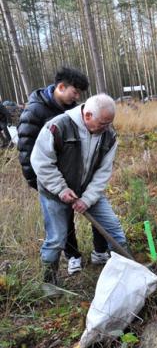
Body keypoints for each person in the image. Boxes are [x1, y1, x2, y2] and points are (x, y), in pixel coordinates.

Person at [17, 67, 108, 275]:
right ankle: (73, 256)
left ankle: (100, 252)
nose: (77, 97)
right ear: (61, 87)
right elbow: (27, 150)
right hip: (50, 180)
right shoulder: (35, 111)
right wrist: (40, 183)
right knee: (63, 224)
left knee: (94, 208)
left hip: (76, 178)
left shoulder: (74, 111)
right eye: (74, 92)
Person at [31, 94, 128, 285]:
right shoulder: (58, 127)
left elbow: (103, 171)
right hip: (54, 192)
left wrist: (88, 199)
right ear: (88, 115)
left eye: (109, 123)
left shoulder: (109, 135)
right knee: (57, 238)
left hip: (88, 191)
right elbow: (41, 162)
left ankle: (127, 270)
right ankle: (48, 283)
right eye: (102, 123)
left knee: (114, 230)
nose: (106, 127)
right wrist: (61, 189)